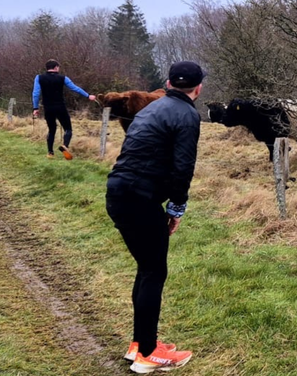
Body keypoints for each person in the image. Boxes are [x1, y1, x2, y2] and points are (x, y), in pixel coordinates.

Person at [106, 61, 204, 373]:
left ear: (168, 83)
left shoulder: (151, 108)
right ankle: (149, 353)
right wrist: (176, 209)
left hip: (118, 192)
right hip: (140, 199)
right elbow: (183, 167)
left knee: (147, 268)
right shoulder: (188, 115)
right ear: (198, 89)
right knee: (153, 272)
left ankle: (140, 344)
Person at [32, 60, 96, 159]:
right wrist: (88, 96)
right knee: (68, 129)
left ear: (47, 68)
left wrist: (35, 108)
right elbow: (75, 88)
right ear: (56, 67)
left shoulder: (39, 78)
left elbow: (35, 94)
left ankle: (50, 153)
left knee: (52, 129)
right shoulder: (63, 78)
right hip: (60, 106)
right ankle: (65, 145)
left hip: (48, 107)